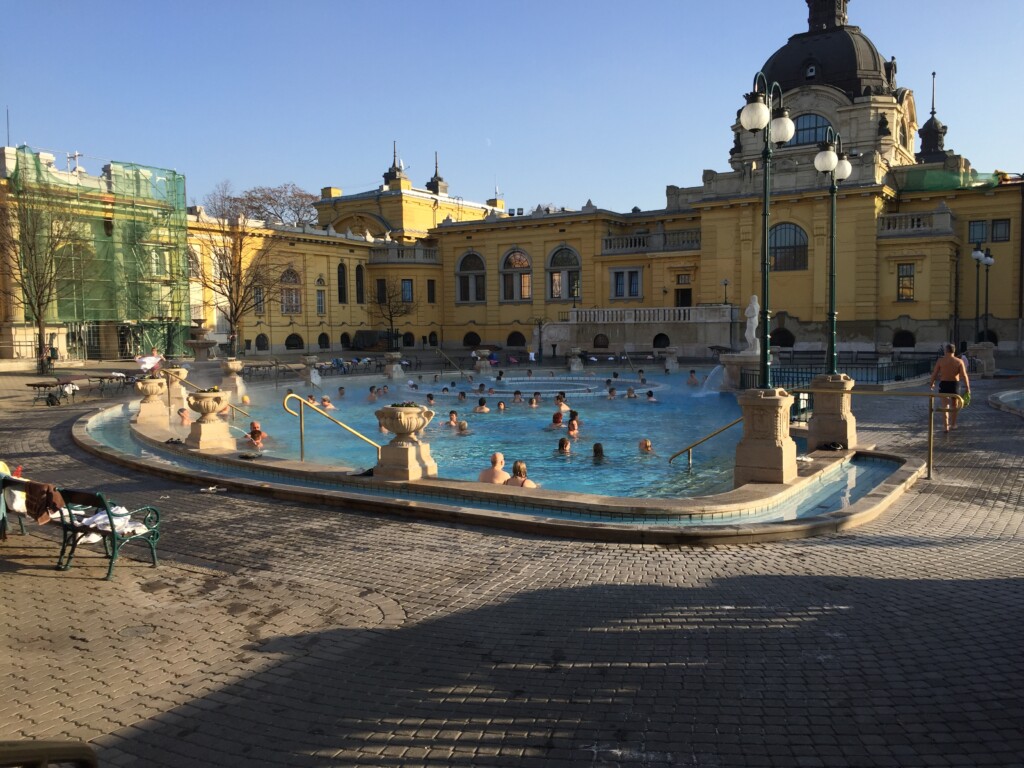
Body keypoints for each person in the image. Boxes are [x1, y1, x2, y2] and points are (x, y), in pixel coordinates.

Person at [930, 342, 971, 432]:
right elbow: (964, 375)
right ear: (954, 351)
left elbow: (934, 374)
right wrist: (968, 388)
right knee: (954, 406)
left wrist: (931, 383)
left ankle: (946, 427)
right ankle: (953, 424)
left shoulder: (940, 361)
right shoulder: (959, 361)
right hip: (955, 384)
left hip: (944, 384)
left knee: (945, 406)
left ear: (946, 351)